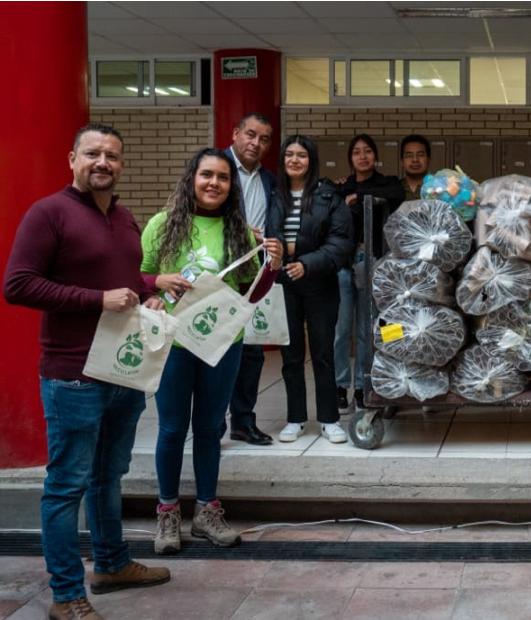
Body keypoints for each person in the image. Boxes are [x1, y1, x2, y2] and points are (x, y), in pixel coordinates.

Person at [4, 124, 170, 619]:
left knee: (108, 476)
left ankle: (112, 564)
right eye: (93, 153)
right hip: (72, 374)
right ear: (72, 158)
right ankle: (66, 595)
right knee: (67, 485)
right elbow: (18, 284)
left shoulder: (122, 217)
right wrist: (97, 300)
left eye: (112, 156)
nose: (103, 162)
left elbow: (118, 280)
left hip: (122, 369)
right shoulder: (48, 213)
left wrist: (149, 285)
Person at [140, 148, 283, 555]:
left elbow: (250, 292)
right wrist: (156, 284)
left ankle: (206, 510)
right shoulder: (161, 224)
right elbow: (137, 272)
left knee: (208, 428)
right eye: (206, 175)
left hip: (221, 343)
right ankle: (167, 512)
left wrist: (271, 264)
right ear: (192, 178)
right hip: (173, 341)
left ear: (230, 186)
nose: (214, 183)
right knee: (171, 429)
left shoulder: (242, 230)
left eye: (222, 177)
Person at [272, 135, 354, 444]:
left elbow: (341, 242)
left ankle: (329, 419)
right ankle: (295, 419)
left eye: (301, 155)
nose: (294, 160)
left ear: (311, 161)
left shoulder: (328, 196)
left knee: (323, 353)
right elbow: (272, 232)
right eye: (289, 154)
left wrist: (307, 262)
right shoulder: (275, 194)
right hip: (284, 282)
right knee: (290, 355)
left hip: (319, 282)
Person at [333, 134, 403, 413]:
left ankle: (364, 386)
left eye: (367, 151)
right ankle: (340, 386)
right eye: (357, 152)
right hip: (342, 263)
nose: (362, 157)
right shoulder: (341, 186)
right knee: (341, 328)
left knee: (366, 329)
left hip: (370, 261)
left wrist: (358, 197)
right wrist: (348, 194)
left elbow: (396, 194)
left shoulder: (386, 184)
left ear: (375, 156)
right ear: (350, 158)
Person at [224, 113, 277, 446]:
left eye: (264, 139)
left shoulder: (269, 179)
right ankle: (212, 423)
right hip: (219, 270)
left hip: (254, 272)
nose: (256, 143)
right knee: (216, 348)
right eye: (250, 135)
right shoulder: (214, 168)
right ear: (235, 133)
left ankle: (243, 422)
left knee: (253, 352)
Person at [399, 134, 431, 201]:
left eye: (420, 155)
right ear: (402, 161)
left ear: (428, 159)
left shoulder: (439, 188)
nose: (415, 160)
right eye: (409, 155)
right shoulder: (393, 189)